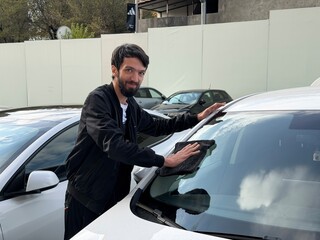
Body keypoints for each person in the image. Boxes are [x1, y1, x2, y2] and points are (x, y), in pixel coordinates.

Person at [64, 43, 225, 239]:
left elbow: (158, 126)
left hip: (115, 200)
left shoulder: (130, 105)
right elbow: (114, 146)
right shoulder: (98, 100)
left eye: (141, 73)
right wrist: (164, 160)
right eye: (129, 70)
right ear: (114, 69)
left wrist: (196, 118)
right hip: (85, 200)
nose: (135, 79)